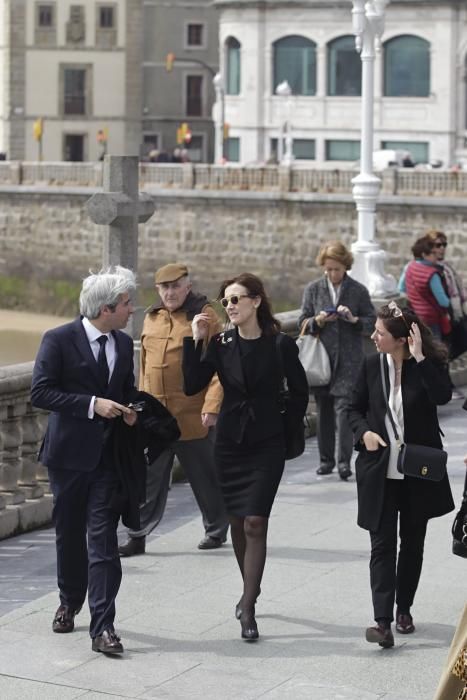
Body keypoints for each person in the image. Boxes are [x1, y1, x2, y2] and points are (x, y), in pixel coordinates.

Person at [183, 273, 308, 641]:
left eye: (237, 299)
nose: (230, 306)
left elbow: (300, 393)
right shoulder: (220, 343)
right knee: (237, 522)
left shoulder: (280, 344)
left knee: (255, 521)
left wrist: (284, 428)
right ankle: (248, 588)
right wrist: (195, 341)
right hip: (229, 443)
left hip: (267, 443)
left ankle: (248, 606)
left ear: (256, 301)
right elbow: (192, 385)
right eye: (226, 301)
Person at [31, 266, 139, 655]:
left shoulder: (125, 345)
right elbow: (40, 393)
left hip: (109, 461)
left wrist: (132, 409)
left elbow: (127, 391)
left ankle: (104, 627)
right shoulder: (58, 339)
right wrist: (93, 405)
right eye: (127, 304)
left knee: (103, 542)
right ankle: (69, 600)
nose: (132, 310)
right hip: (68, 458)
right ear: (106, 308)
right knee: (69, 534)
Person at [348, 302, 455, 649]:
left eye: (379, 333)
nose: (373, 337)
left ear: (399, 339)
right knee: (381, 547)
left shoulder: (428, 365)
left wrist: (421, 357)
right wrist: (363, 432)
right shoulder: (370, 365)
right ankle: (382, 622)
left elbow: (442, 396)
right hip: (379, 471)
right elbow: (353, 409)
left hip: (417, 472)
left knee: (412, 545)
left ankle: (403, 609)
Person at [118, 263, 228, 557]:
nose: (170, 292)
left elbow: (219, 369)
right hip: (155, 419)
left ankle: (216, 529)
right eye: (164, 287)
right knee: (148, 479)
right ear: (157, 290)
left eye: (175, 286)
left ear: (187, 286)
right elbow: (143, 368)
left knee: (205, 477)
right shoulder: (151, 318)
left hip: (192, 415)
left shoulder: (205, 316)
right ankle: (137, 534)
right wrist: (139, 408)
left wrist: (212, 405)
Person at [299, 241, 375, 480]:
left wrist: (353, 320)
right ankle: (326, 461)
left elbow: (372, 320)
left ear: (345, 268)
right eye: (328, 269)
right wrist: (318, 321)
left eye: (337, 269)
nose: (332, 274)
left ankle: (344, 463)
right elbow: (303, 321)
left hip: (350, 361)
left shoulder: (358, 290)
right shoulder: (313, 289)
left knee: (344, 411)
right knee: (323, 412)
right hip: (321, 359)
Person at [398, 235, 451, 339]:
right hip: (431, 320)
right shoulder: (432, 274)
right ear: (424, 255)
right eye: (433, 253)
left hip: (414, 315)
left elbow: (401, 288)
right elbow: (443, 302)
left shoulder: (410, 266)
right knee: (435, 350)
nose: (437, 256)